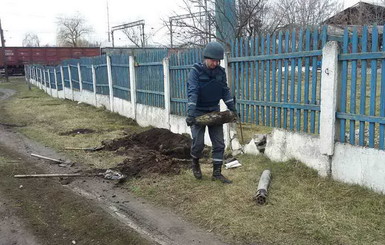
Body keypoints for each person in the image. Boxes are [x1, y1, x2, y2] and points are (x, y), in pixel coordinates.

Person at [186, 41, 236, 184]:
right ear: (206, 58)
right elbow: (193, 92)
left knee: (219, 143)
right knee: (199, 144)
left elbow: (224, 90)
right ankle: (195, 162)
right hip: (197, 112)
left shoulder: (220, 73)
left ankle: (217, 173)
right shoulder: (195, 72)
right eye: (213, 60)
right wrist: (190, 114)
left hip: (214, 111)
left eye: (217, 61)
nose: (215, 63)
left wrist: (232, 107)